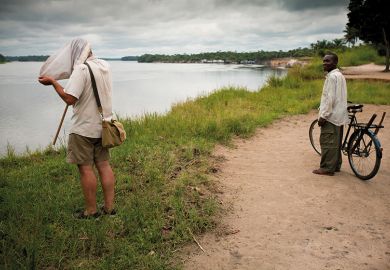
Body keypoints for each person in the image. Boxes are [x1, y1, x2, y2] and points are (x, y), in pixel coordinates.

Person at [38, 38, 116, 218]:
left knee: (85, 168)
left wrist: (54, 83)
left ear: (76, 54)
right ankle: (110, 209)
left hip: (84, 129)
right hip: (104, 126)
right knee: (104, 165)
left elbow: (70, 99)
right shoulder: (105, 65)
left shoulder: (81, 70)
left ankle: (91, 211)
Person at [313, 52, 348, 176]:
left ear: (335, 62)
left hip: (332, 116)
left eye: (327, 61)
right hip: (339, 115)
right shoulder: (339, 75)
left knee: (327, 142)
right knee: (336, 142)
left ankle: (327, 168)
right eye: (324, 61)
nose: (324, 63)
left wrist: (323, 115)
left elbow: (330, 98)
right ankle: (336, 165)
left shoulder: (332, 77)